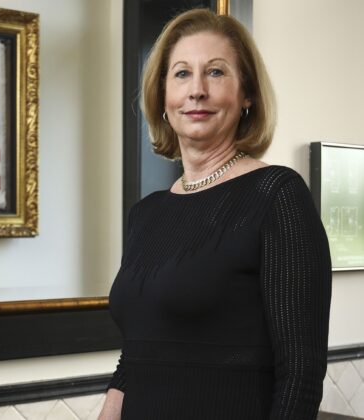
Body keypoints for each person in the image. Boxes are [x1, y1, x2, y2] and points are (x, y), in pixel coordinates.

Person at [99, 9, 331, 420]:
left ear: (248, 95)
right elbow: (138, 354)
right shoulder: (146, 214)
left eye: (217, 73)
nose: (197, 91)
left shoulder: (277, 194)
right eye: (182, 74)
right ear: (162, 97)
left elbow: (301, 373)